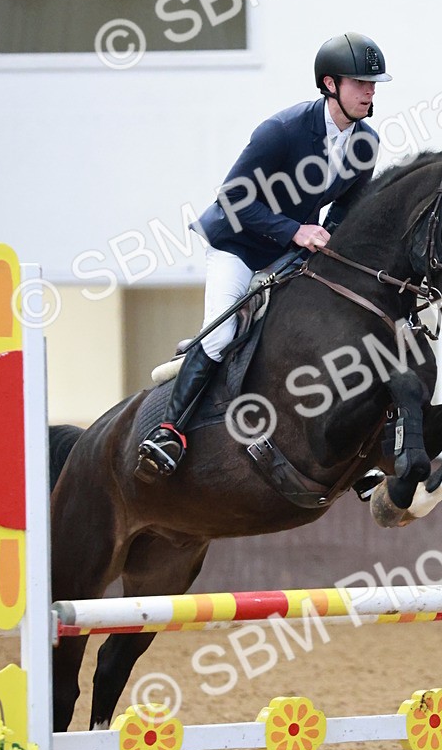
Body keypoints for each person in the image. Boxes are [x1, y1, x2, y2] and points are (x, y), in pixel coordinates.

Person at [135, 31, 392, 482]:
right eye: (360, 82)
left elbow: (346, 207)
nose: (370, 91)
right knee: (219, 338)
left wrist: (329, 240)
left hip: (286, 250)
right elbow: (233, 198)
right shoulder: (284, 130)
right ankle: (170, 429)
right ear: (330, 85)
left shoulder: (364, 142)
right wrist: (295, 230)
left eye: (373, 83)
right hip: (238, 243)